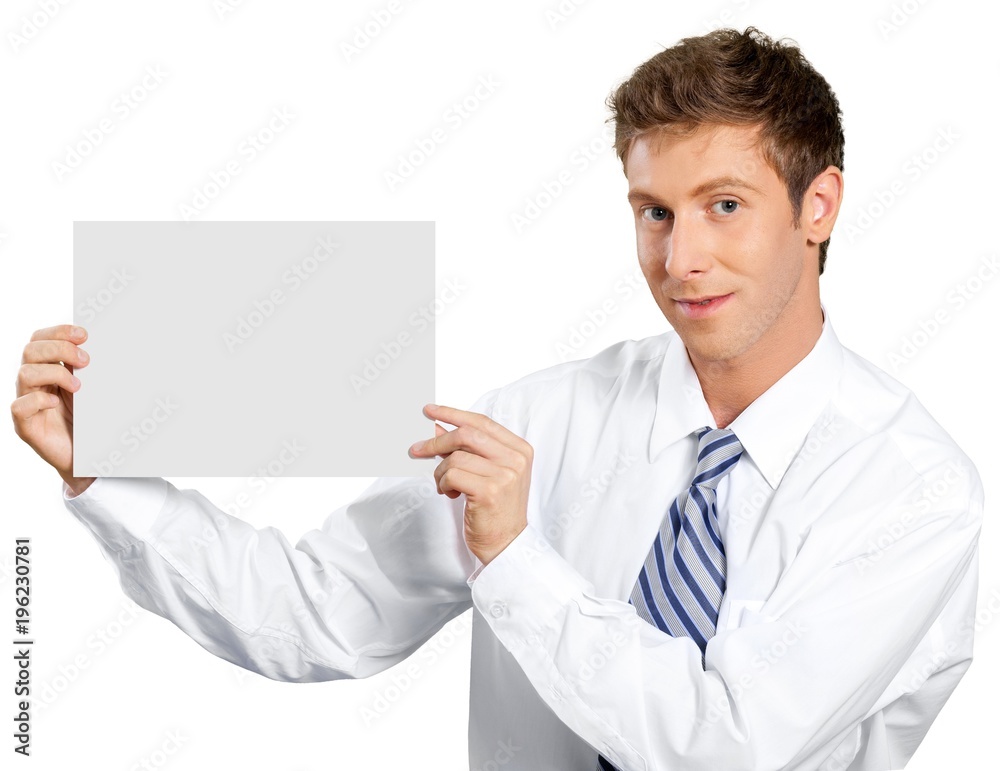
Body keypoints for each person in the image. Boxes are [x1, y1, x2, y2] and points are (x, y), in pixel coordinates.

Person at [11, 27, 982, 771]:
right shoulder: (545, 420)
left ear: (818, 207)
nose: (680, 260)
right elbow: (316, 615)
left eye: (724, 205)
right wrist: (106, 472)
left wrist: (515, 559)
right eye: (654, 212)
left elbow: (722, 745)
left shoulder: (910, 489)